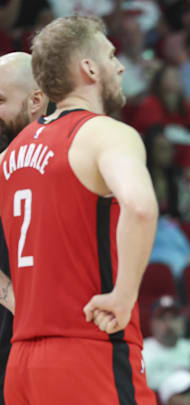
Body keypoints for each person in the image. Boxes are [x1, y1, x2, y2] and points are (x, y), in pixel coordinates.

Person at [0, 16, 158, 404]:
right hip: (88, 348)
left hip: (21, 361)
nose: (119, 66)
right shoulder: (105, 133)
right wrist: (122, 297)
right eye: (110, 55)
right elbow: (139, 207)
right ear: (88, 68)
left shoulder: (11, 152)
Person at [0, 52, 48, 405]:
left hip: (46, 341)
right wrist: (17, 299)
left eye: (0, 100)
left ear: (36, 100)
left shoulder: (64, 153)